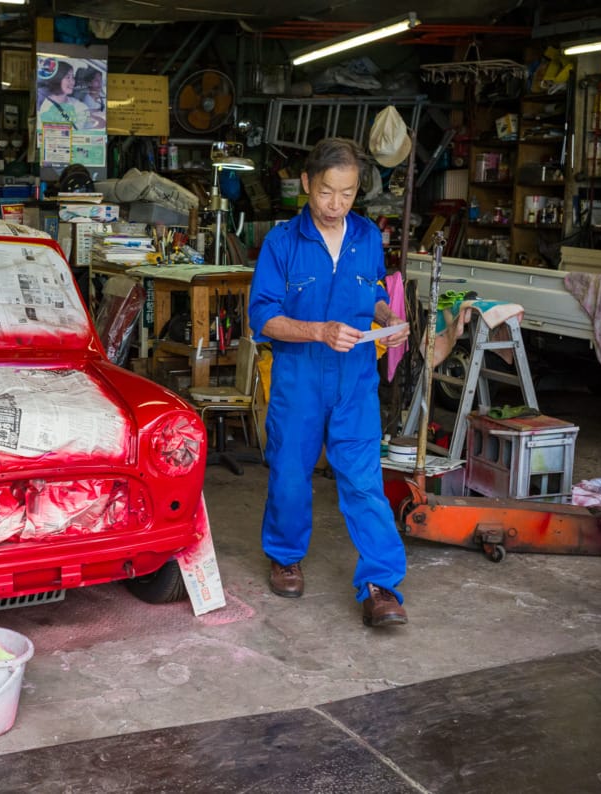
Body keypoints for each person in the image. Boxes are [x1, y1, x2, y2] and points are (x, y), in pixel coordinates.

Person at [247, 137, 411, 628]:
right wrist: (318, 331)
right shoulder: (282, 242)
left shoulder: (367, 237)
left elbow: (376, 292)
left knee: (364, 483)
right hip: (299, 377)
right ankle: (284, 554)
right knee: (291, 474)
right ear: (305, 185)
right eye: (325, 193)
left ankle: (381, 584)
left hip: (355, 380)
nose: (335, 205)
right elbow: (262, 317)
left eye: (347, 193)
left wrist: (387, 315)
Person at [37, 60, 99, 130]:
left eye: (73, 77)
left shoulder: (76, 103)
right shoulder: (45, 107)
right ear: (58, 79)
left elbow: (86, 115)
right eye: (68, 77)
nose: (72, 81)